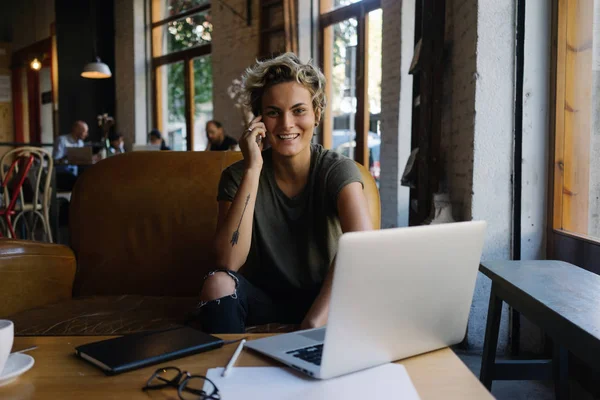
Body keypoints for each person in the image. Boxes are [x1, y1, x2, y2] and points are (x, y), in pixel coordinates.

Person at [197, 53, 373, 333]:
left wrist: (313, 322)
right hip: (264, 300)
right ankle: (227, 372)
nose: (286, 123)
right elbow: (227, 262)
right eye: (273, 112)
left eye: (298, 110)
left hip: (325, 300)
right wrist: (253, 169)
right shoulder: (237, 176)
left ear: (316, 114)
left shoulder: (337, 170)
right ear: (259, 119)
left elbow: (364, 250)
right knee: (217, 283)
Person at [53, 120, 88, 191]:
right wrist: (69, 156)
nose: (86, 134)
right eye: (84, 131)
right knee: (80, 182)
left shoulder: (81, 143)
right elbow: (55, 160)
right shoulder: (61, 140)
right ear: (76, 130)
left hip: (75, 172)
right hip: (62, 173)